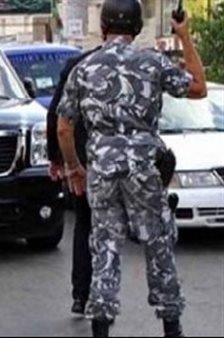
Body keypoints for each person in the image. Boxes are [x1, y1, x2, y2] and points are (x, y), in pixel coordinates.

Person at [56, 0, 207, 336]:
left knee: (105, 245)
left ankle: (101, 325)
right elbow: (198, 87)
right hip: (143, 168)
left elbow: (64, 126)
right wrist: (184, 36)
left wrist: (74, 168)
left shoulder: (84, 67)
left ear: (104, 27)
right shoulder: (153, 62)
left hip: (102, 171)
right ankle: (171, 325)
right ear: (137, 28)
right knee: (158, 242)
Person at [46, 45, 100, 316]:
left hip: (82, 160)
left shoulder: (77, 66)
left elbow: (56, 114)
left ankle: (81, 295)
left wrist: (59, 159)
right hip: (122, 165)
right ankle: (100, 298)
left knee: (84, 225)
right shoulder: (138, 63)